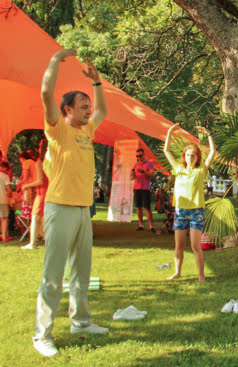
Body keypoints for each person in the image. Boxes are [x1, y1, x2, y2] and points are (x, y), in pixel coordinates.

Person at [32, 49, 109, 357]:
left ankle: (80, 322)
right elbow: (45, 92)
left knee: (81, 271)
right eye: (82, 106)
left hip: (82, 210)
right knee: (53, 274)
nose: (89, 110)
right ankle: (42, 335)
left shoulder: (87, 130)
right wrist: (54, 60)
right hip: (59, 208)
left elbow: (103, 108)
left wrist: (96, 83)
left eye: (88, 106)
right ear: (66, 109)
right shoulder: (57, 128)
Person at [163, 124, 215, 282]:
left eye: (193, 155)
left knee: (195, 246)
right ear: (184, 157)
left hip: (196, 212)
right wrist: (170, 132)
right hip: (180, 212)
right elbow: (167, 151)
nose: (190, 157)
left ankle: (201, 275)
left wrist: (209, 134)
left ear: (197, 157)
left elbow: (212, 152)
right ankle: (177, 272)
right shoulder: (178, 169)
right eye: (187, 155)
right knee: (178, 246)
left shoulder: (201, 171)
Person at [21, 139, 49, 250]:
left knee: (35, 218)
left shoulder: (39, 162)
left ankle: (32, 243)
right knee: (46, 218)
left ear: (38, 149)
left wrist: (26, 186)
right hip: (50, 191)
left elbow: (40, 180)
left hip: (42, 192)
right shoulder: (51, 161)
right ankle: (47, 240)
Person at [131, 148, 155, 232]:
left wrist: (143, 171)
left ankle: (151, 226)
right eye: (137, 156)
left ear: (144, 155)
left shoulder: (149, 163)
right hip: (136, 188)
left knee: (147, 208)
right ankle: (141, 225)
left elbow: (152, 174)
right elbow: (132, 177)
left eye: (140, 155)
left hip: (145, 188)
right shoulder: (135, 164)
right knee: (139, 207)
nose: (139, 157)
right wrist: (132, 174)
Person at [0, 162, 13, 242]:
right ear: (4, 168)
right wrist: (11, 197)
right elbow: (9, 190)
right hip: (2, 199)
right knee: (4, 218)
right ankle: (4, 237)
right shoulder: (5, 176)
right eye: (7, 170)